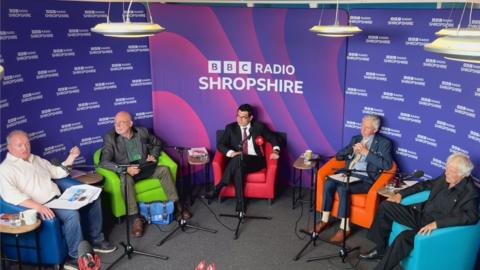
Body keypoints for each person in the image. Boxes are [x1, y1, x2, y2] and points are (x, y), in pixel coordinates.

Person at [0, 130, 116, 270]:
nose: (25, 148)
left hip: (59, 198)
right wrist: (38, 207)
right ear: (10, 147)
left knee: (94, 198)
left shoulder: (35, 159)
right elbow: (11, 195)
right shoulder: (5, 169)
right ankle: (75, 257)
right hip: (42, 205)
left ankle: (96, 240)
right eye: (20, 145)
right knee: (71, 215)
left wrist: (72, 157)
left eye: (27, 144)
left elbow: (57, 172)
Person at [359, 153, 479, 270]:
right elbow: (425, 185)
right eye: (446, 168)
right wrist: (400, 194)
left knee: (404, 238)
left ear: (462, 174)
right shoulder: (446, 177)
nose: (446, 172)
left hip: (435, 227)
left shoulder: (470, 192)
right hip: (421, 215)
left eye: (450, 170)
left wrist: (438, 224)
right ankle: (380, 249)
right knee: (386, 206)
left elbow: (471, 216)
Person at [100, 111, 191, 238]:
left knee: (164, 170)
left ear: (130, 124)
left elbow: (158, 143)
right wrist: (125, 170)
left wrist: (153, 155)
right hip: (128, 172)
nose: (118, 126)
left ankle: (177, 205)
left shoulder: (142, 132)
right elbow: (104, 162)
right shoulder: (110, 138)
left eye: (121, 122)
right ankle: (135, 219)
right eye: (115, 123)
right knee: (125, 180)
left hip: (145, 167)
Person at [311, 114, 393, 242]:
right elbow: (338, 156)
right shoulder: (356, 138)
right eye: (362, 126)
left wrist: (366, 153)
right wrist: (351, 151)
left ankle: (345, 227)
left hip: (366, 178)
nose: (362, 129)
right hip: (348, 173)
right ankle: (324, 220)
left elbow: (387, 165)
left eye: (366, 128)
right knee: (329, 182)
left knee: (344, 188)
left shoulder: (384, 143)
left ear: (375, 130)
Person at [205, 103, 280, 212]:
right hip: (238, 160)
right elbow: (221, 145)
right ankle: (240, 203)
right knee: (238, 165)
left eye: (244, 117)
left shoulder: (258, 127)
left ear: (250, 118)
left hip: (255, 161)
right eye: (238, 116)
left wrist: (275, 150)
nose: (240, 119)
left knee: (238, 160)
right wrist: (231, 153)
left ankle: (219, 187)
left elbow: (273, 138)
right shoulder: (230, 128)